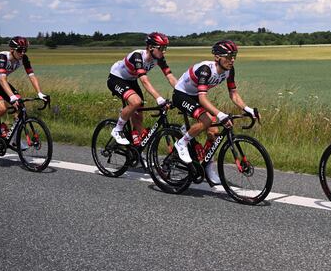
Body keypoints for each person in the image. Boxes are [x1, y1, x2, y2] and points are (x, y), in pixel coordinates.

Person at [171, 40, 261, 185]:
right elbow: (202, 98)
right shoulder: (206, 70)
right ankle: (182, 143)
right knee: (207, 121)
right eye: (229, 56)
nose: (232, 60)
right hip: (182, 94)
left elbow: (234, 94)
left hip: (196, 95)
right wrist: (220, 114)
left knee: (213, 131)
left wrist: (248, 109)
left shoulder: (229, 70)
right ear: (217, 57)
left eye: (234, 56)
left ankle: (207, 167)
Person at [107, 32, 178, 146]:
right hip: (116, 78)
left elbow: (170, 77)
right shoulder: (138, 57)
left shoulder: (159, 58)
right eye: (161, 48)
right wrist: (159, 98)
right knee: (136, 102)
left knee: (139, 114)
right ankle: (117, 129)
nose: (163, 51)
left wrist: (181, 92)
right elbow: (144, 81)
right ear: (150, 47)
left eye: (165, 48)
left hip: (131, 80)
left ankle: (136, 149)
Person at [0, 36, 49, 148]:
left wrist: (40, 93)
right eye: (20, 50)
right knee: (2, 108)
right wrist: (11, 97)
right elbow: (2, 79)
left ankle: (14, 138)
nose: (23, 53)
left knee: (20, 105)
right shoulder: (2, 58)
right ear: (12, 50)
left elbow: (32, 76)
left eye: (25, 50)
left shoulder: (24, 58)